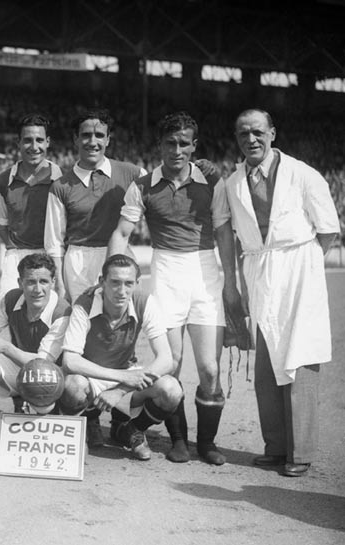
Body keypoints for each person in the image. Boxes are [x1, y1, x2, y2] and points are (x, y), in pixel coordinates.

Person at [214, 109, 340, 477]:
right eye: (242, 134)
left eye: (257, 132)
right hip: (260, 271)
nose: (250, 140)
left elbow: (327, 230)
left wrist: (304, 264)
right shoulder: (233, 182)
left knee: (299, 356)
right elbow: (232, 235)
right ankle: (276, 446)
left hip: (300, 268)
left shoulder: (303, 174)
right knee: (267, 360)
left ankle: (300, 453)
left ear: (272, 133)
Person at [108, 111, 234, 465]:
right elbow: (121, 233)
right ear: (159, 146)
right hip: (165, 271)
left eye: (184, 143)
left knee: (209, 368)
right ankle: (179, 440)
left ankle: (207, 443)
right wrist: (113, 274)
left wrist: (232, 282)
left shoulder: (213, 181)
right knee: (171, 363)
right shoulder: (143, 186)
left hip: (205, 270)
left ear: (194, 146)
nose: (177, 150)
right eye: (170, 143)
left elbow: (224, 232)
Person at [61, 254, 180, 461]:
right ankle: (88, 422)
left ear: (136, 283)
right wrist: (122, 377)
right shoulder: (85, 303)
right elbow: (70, 360)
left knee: (171, 390)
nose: (121, 291)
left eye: (128, 283)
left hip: (126, 376)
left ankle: (132, 429)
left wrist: (121, 389)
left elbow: (166, 359)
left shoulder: (144, 301)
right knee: (72, 386)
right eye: (115, 283)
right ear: (102, 282)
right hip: (92, 375)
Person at [0, 253, 71, 451]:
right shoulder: (12, 298)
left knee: (43, 387)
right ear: (20, 282)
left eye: (44, 282)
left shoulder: (61, 311)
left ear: (53, 282)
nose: (37, 289)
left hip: (51, 376)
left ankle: (62, 417)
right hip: (20, 365)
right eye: (30, 282)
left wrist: (5, 347)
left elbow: (43, 363)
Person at [44, 108, 145, 304]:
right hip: (78, 263)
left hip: (119, 254)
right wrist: (60, 284)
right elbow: (54, 242)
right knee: (82, 322)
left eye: (99, 135)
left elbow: (165, 181)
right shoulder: (60, 186)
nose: (92, 142)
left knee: (121, 322)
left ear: (108, 139)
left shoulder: (133, 174)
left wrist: (198, 168)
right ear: (75, 139)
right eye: (86, 135)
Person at [0, 113, 63, 300]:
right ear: (18, 142)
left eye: (39, 140)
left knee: (51, 312)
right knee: (4, 307)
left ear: (48, 142)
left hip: (51, 255)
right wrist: (14, 247)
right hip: (16, 255)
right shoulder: (2, 180)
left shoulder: (62, 180)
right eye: (28, 140)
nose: (34, 147)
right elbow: (1, 223)